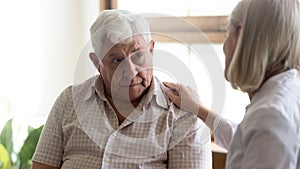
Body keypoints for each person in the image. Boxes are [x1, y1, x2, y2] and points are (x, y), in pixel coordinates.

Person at [31, 10, 212, 169]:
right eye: (117, 60)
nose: (131, 72)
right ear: (97, 63)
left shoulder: (183, 113)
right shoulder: (69, 101)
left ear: (151, 51)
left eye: (139, 55)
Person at [164, 0, 300, 168]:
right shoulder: (287, 94)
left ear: (241, 34)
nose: (224, 46)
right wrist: (197, 108)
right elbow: (246, 140)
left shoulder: (271, 115)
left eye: (227, 33)